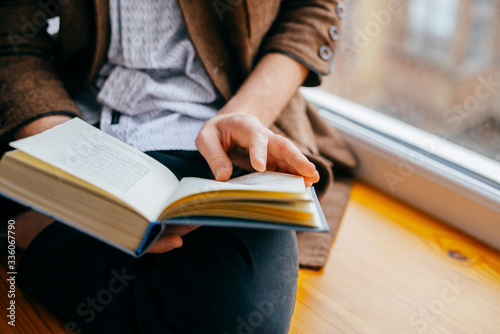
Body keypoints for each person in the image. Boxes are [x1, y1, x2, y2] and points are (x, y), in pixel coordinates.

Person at [0, 0, 354, 332]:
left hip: (224, 137)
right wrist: (72, 164)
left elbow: (313, 8)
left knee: (244, 311)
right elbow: (13, 36)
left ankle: (27, 233)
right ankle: (41, 226)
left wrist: (245, 113)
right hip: (75, 125)